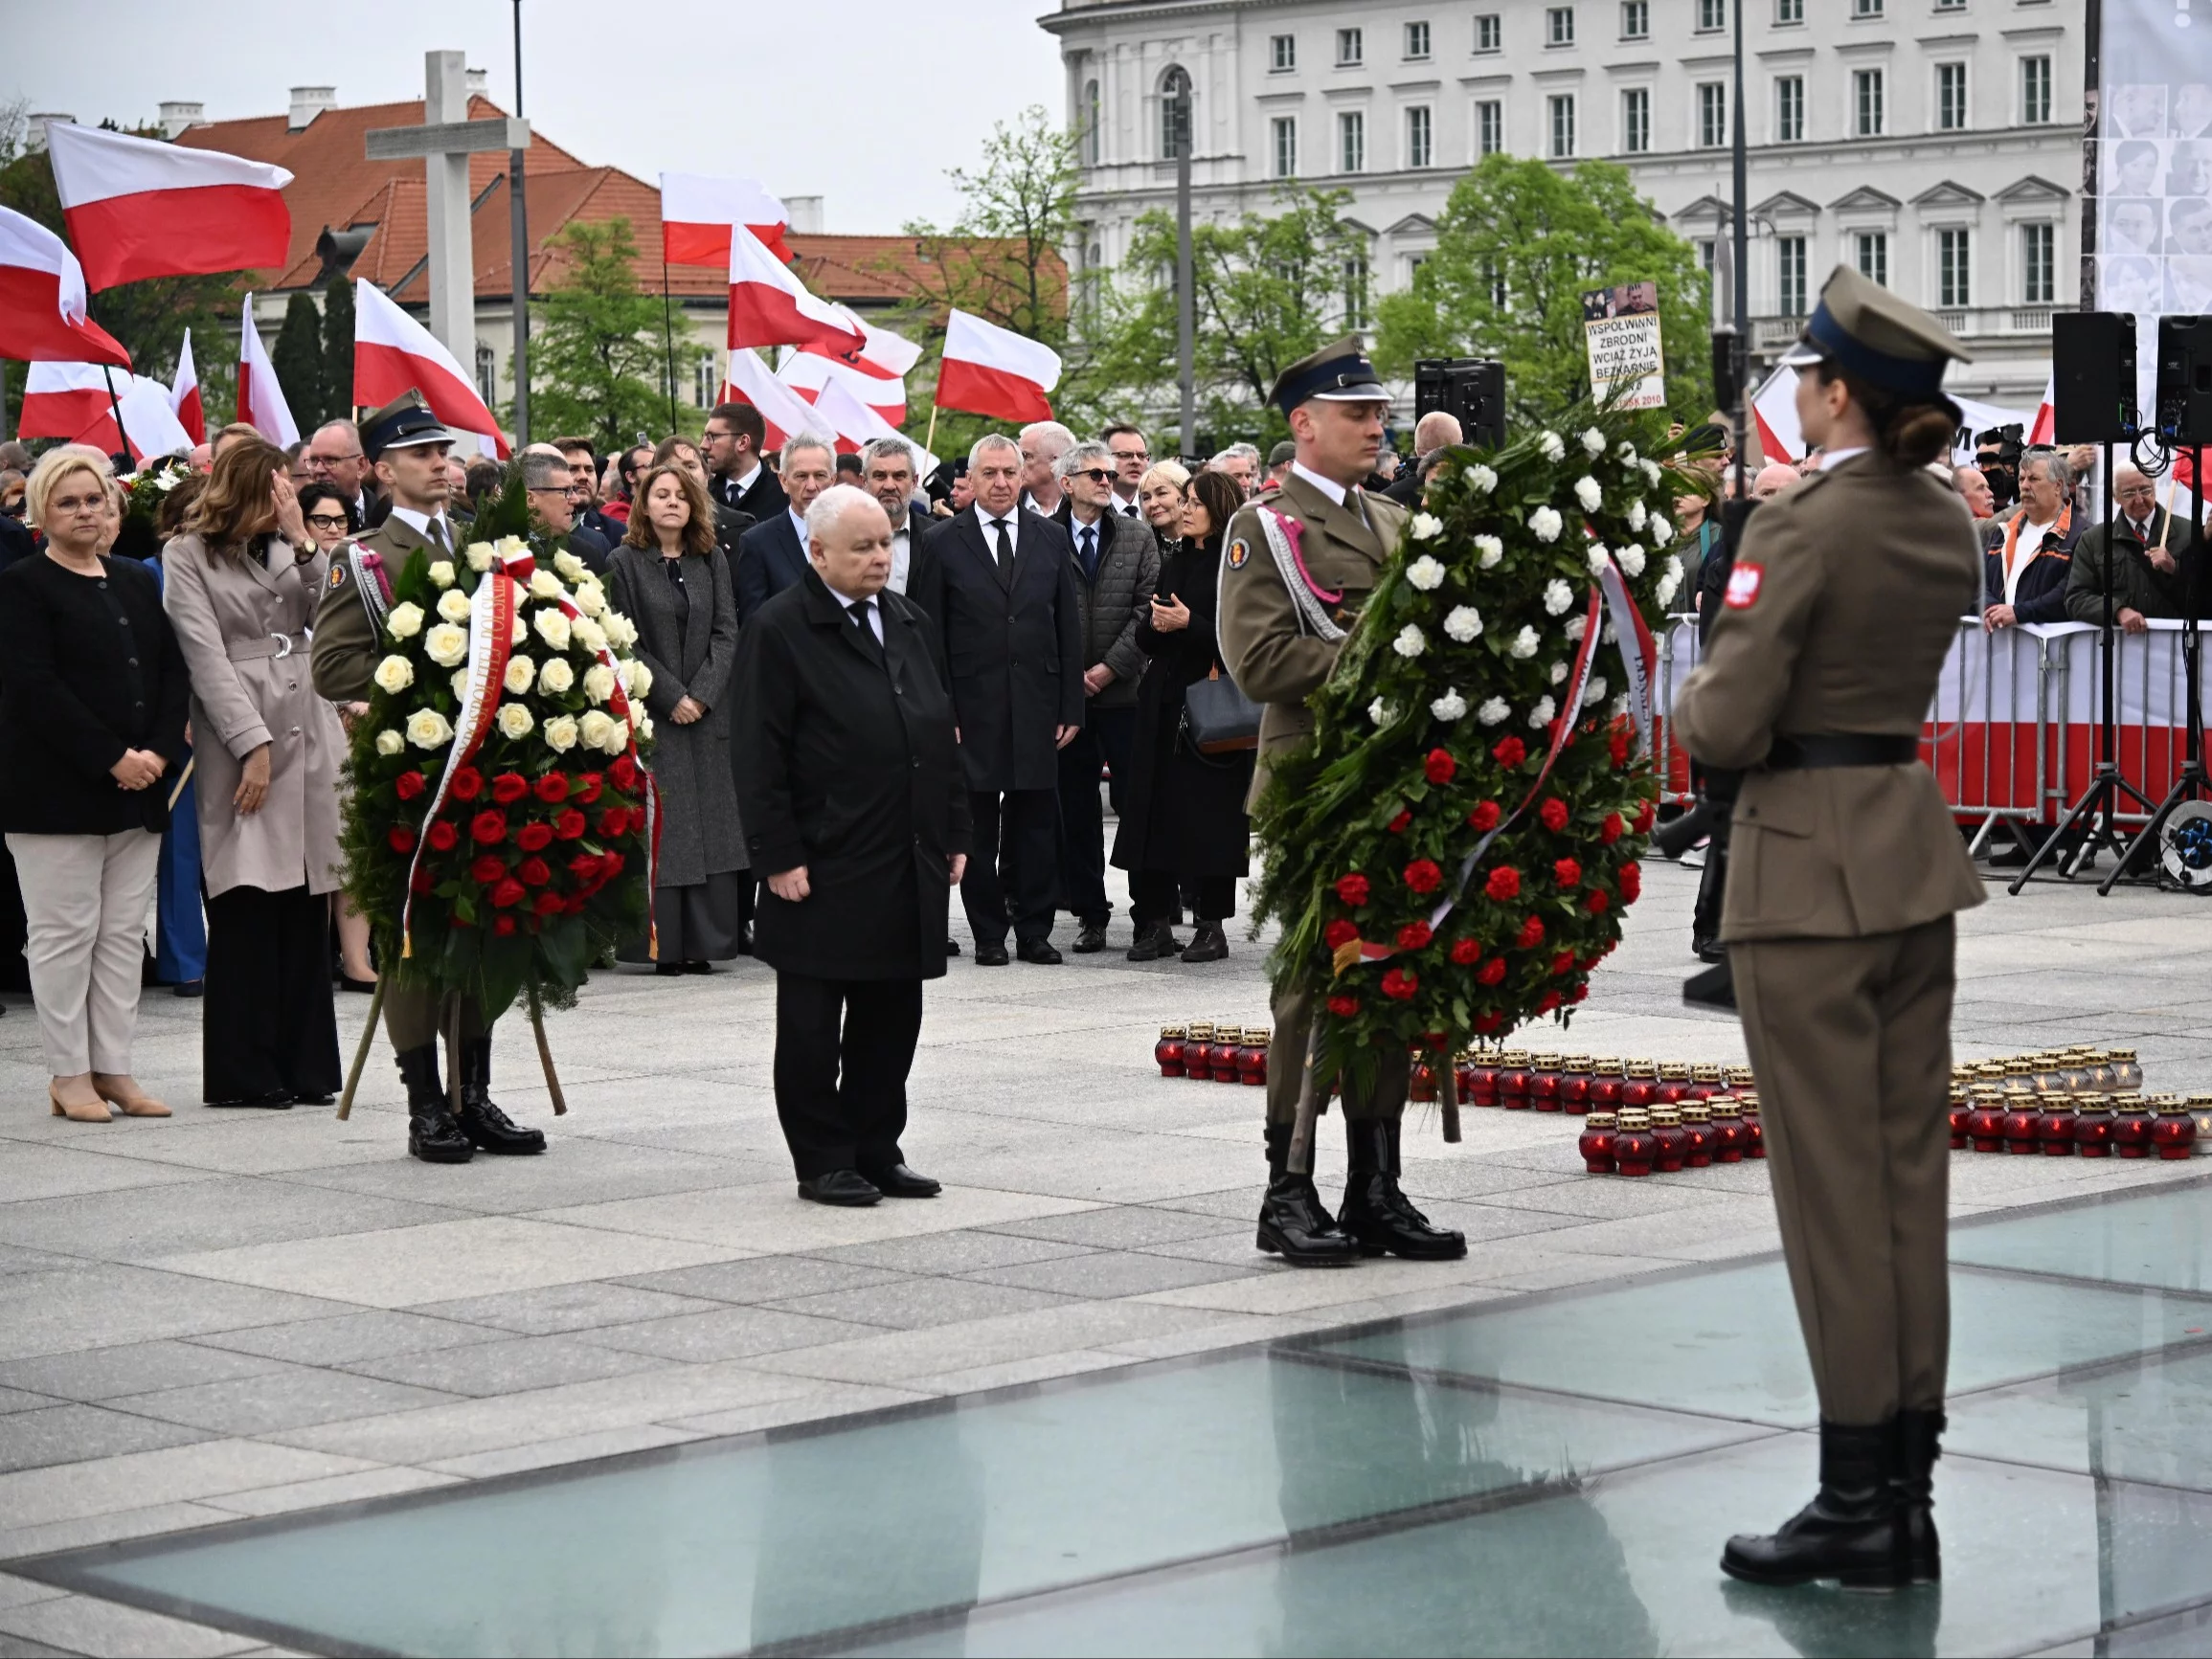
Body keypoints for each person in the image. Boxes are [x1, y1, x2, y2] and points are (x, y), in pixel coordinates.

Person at [1672, 264, 1985, 1592]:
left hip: (1804, 865)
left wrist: (1692, 694)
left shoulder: (1801, 524)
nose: (1791, 394)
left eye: (1804, 374)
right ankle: (1904, 1484)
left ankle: (1854, 1492)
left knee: (1830, 1196)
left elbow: (1724, 724)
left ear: (1839, 391)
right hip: (1908, 847)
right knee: (1908, 1182)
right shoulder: (1936, 519)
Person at [1216, 336, 1465, 1267]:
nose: (1376, 426)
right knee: (1315, 987)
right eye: (1357, 413)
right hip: (1317, 780)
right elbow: (1260, 659)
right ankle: (1288, 1188)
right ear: (1303, 425)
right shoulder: (1264, 527)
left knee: (1390, 976)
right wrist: (1390, 663)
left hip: (1396, 782)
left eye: (1379, 412)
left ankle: (1373, 1184)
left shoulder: (1393, 524)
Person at [312, 392, 546, 1163]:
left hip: (485, 767)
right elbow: (333, 665)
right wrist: (424, 678)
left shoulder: (481, 544)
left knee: (481, 922)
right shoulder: (363, 556)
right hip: (408, 772)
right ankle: (424, 1103)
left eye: (443, 452)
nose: (440, 464)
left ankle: (472, 1092)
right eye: (420, 454)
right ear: (381, 469)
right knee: (413, 935)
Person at [732, 483, 969, 1206]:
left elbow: (937, 729)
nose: (878, 557)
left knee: (893, 1012)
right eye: (862, 546)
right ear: (818, 551)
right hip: (824, 856)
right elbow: (756, 751)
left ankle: (876, 1143)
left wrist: (954, 829)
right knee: (812, 1020)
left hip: (906, 850)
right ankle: (823, 1155)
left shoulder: (907, 618)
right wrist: (777, 854)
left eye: (885, 543)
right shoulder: (780, 628)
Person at [0, 446, 189, 1121]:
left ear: (114, 504)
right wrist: (113, 756)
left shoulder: (135, 579)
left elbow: (171, 672)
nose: (85, 511)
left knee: (118, 936)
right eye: (68, 500)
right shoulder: (21, 585)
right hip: (54, 792)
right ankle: (67, 1073)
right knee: (62, 934)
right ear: (40, 511)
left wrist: (160, 754)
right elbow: (34, 689)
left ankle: (114, 1067)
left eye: (95, 498)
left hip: (139, 787)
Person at [164, 437, 347, 1110]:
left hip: (309, 718)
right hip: (242, 728)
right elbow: (204, 658)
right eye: (277, 488)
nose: (288, 498)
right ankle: (245, 1068)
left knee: (303, 899)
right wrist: (252, 745)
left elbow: (334, 619)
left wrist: (305, 543)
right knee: (246, 894)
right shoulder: (186, 555)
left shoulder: (288, 548)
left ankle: (305, 1063)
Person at [913, 435, 1082, 967]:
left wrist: (1070, 706)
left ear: (1024, 474)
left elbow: (1068, 629)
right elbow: (928, 637)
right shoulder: (942, 542)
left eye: (1011, 471)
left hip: (1037, 705)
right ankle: (989, 932)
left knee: (1035, 825)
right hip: (971, 710)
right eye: (990, 473)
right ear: (973, 477)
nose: (1003, 482)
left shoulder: (1051, 538)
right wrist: (943, 712)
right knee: (977, 827)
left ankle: (1034, 930)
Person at [607, 463, 746, 972]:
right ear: (643, 504)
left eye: (680, 496)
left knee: (709, 827)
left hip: (708, 716)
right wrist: (672, 696)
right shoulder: (623, 561)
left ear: (693, 506)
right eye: (660, 494)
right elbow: (623, 639)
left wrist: (704, 695)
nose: (671, 503)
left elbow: (728, 630)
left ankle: (706, 946)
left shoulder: (711, 560)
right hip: (654, 713)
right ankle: (663, 947)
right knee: (665, 827)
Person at [1114, 467, 1253, 964]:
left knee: (1208, 818)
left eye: (1195, 501)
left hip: (1211, 708)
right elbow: (1152, 634)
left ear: (1218, 507)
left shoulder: (1236, 563)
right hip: (1162, 701)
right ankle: (1154, 923)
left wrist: (1188, 623)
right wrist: (1157, 624)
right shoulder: (1174, 559)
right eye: (1186, 500)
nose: (1186, 509)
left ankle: (1210, 926)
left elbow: (1244, 638)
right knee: (1151, 810)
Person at [1051, 440, 1160, 953]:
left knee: (1135, 805)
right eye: (1094, 473)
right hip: (1067, 703)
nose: (1106, 480)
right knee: (1075, 809)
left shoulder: (1138, 536)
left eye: (1110, 473)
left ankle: (1148, 916)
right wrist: (1072, 677)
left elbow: (1147, 610)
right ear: (1066, 482)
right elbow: (1035, 613)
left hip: (1125, 696)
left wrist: (1107, 669)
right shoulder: (1043, 538)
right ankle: (1090, 914)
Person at [294, 482, 377, 993]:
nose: (331, 531)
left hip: (361, 716)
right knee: (315, 842)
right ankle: (314, 958)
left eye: (340, 521)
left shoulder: (364, 570)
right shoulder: (292, 570)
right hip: (305, 710)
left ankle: (357, 957)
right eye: (320, 521)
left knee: (353, 842)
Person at [2066, 466, 2198, 630]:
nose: (2139, 499)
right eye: (2129, 493)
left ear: (2154, 488)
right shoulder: (2094, 540)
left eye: (2145, 490)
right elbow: (2076, 598)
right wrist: (2117, 611)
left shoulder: (2190, 533)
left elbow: (2204, 595)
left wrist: (2174, 569)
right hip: (2120, 648)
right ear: (2115, 497)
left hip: (2178, 647)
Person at [736, 436, 835, 622]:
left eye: (820, 475)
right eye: (801, 476)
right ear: (783, 481)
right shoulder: (757, 542)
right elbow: (754, 623)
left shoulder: (854, 536)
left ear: (833, 480)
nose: (812, 486)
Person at [1983, 451, 2079, 630]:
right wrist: (1991, 609)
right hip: (1999, 649)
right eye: (2021, 479)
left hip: (2052, 654)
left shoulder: (2080, 534)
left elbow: (2069, 591)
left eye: (2033, 479)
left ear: (2058, 486)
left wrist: (2019, 613)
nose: (2025, 486)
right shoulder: (2003, 532)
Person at [860, 437, 938, 602]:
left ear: (914, 482)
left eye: (899, 476)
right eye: (880, 476)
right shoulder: (843, 536)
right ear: (864, 482)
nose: (889, 486)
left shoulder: (939, 537)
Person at [703, 402, 788, 522]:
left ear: (743, 442)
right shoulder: (702, 494)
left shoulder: (785, 495)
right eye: (704, 436)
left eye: (713, 437)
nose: (703, 445)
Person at [305, 419, 381, 529]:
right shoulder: (298, 519)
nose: (318, 470)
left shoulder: (387, 518)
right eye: (314, 461)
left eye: (330, 460)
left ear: (361, 466)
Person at [1385, 411, 1462, 505]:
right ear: (1456, 448)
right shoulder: (1468, 494)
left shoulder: (1386, 499)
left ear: (1417, 448)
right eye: (1461, 442)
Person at [1017, 420, 1075, 517]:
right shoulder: (1006, 506)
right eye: (1018, 456)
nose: (1017, 464)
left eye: (1026, 456)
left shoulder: (1083, 509)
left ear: (1055, 461)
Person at [1103, 422, 1150, 518]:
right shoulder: (1093, 512)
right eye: (1124, 455)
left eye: (1141, 456)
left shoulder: (1155, 510)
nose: (1136, 461)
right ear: (1104, 459)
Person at [1138, 460, 1191, 538]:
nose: (1153, 503)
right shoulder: (1140, 546)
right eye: (1146, 498)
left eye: (1161, 493)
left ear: (1185, 495)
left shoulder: (1209, 543)